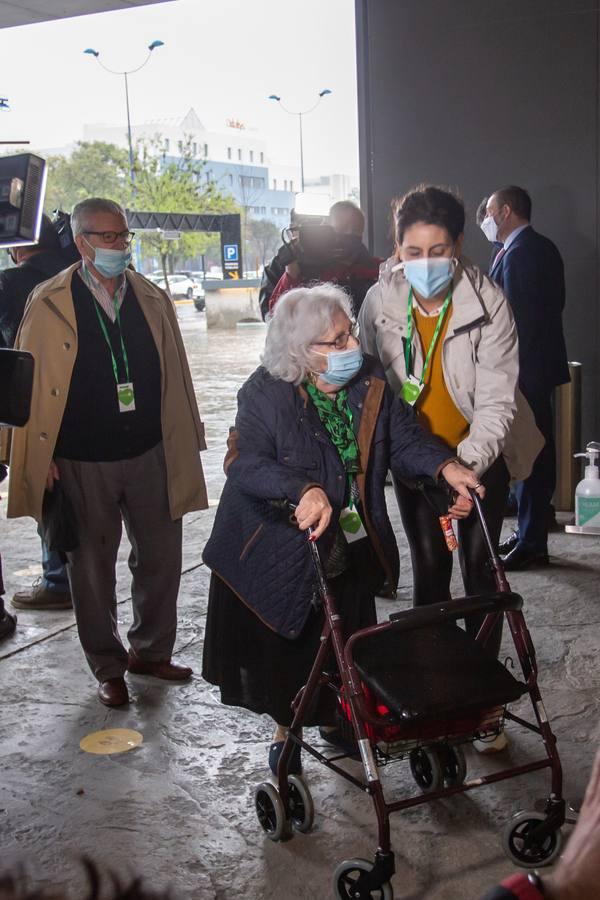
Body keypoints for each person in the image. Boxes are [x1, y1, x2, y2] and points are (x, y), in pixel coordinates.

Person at [202, 282, 483, 773]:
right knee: (293, 653)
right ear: (301, 352)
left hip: (351, 537)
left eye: (350, 333)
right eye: (336, 341)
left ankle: (338, 719)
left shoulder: (368, 380)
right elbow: (245, 464)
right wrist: (302, 489)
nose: (352, 346)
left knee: (349, 636)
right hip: (281, 546)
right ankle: (286, 731)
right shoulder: (265, 393)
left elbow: (404, 440)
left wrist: (445, 468)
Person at [358, 186, 542, 752]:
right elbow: (369, 388)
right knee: (431, 573)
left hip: (479, 455)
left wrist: (464, 471)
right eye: (413, 252)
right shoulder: (379, 301)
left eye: (439, 250)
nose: (426, 263)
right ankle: (432, 697)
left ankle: (481, 703)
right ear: (397, 249)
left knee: (483, 578)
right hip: (418, 460)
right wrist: (427, 468)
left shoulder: (490, 304)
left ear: (460, 246)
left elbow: (496, 405)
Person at [6, 198, 208, 707]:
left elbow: (177, 375)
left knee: (161, 557)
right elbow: (29, 386)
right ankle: (107, 664)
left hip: (149, 451)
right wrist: (35, 456)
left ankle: (151, 651)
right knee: (90, 569)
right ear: (81, 242)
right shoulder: (49, 300)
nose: (121, 246)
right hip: (80, 458)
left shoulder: (152, 297)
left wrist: (186, 437)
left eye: (124, 236)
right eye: (109, 237)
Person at [481, 186, 569, 570]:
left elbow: (517, 323)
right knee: (529, 449)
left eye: (488, 212)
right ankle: (529, 530)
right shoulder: (534, 248)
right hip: (533, 367)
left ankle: (533, 542)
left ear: (505, 211)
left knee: (530, 452)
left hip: (525, 370)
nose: (485, 220)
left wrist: (502, 371)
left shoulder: (523, 254)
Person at [0, 215, 74, 612]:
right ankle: (77, 577)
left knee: (49, 492)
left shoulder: (11, 283)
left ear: (17, 246)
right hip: (82, 404)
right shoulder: (77, 273)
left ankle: (58, 579)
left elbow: (9, 349)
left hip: (35, 406)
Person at [261, 200, 381, 319]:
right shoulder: (292, 265)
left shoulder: (377, 270)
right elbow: (275, 318)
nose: (347, 235)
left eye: (354, 230)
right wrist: (291, 273)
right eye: (340, 229)